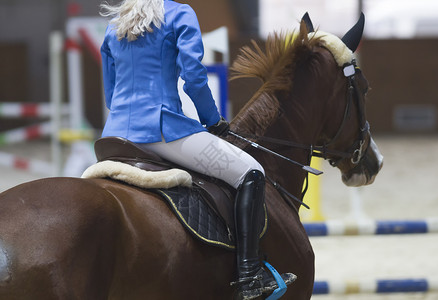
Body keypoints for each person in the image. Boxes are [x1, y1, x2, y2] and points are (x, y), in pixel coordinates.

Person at [99, 0, 296, 298]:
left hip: (114, 136)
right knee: (251, 171)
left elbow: (111, 96)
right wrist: (211, 119)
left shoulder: (114, 26)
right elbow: (193, 77)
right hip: (163, 130)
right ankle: (249, 275)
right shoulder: (179, 14)